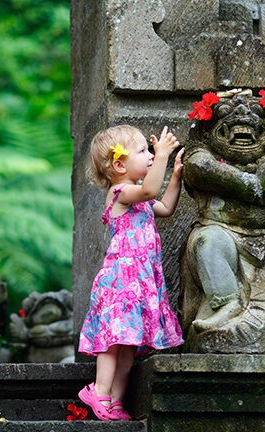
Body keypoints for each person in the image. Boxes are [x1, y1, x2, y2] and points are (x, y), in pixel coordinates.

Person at [77, 125, 185, 421]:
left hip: (139, 283)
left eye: (150, 151)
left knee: (127, 351)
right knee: (112, 344)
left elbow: (164, 205)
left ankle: (115, 401)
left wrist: (174, 177)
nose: (150, 156)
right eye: (143, 151)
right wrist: (163, 154)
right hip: (120, 283)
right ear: (119, 165)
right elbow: (150, 188)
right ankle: (97, 391)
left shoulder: (141, 199)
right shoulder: (121, 192)